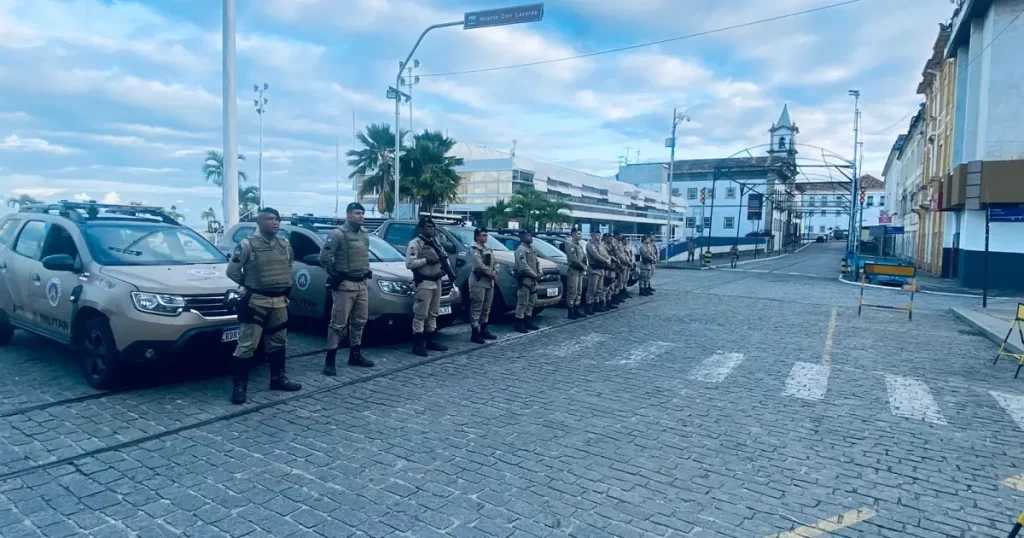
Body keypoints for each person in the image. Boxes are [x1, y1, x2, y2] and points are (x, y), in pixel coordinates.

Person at [226, 207, 301, 405]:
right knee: (248, 344)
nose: (275, 222)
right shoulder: (247, 244)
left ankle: (278, 379)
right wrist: (250, 284)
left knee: (278, 342)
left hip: (279, 302)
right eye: (269, 219)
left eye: (277, 219)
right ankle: (239, 387)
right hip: (256, 302)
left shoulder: (284, 245)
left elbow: (290, 266)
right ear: (259, 222)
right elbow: (232, 270)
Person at [319, 202, 374, 374]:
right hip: (345, 285)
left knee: (359, 321)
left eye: (362, 214)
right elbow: (325, 257)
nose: (361, 216)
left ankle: (355, 354)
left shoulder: (365, 234)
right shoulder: (338, 234)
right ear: (348, 215)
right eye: (357, 213)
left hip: (361, 284)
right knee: (338, 324)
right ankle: (330, 360)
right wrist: (337, 273)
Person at [405, 216, 451, 357]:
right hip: (424, 282)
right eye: (428, 227)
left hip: (436, 281)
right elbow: (410, 263)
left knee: (433, 313)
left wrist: (444, 269)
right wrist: (426, 260)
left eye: (433, 227)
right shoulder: (415, 244)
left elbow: (444, 256)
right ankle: (418, 344)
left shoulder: (435, 243)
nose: (431, 230)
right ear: (421, 228)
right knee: (421, 314)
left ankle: (431, 340)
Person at [469, 227, 498, 344]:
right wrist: (490, 273)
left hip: (489, 282)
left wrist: (496, 271)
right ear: (477, 237)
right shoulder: (474, 248)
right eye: (483, 235)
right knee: (477, 307)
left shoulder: (488, 249)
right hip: (479, 281)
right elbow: (478, 265)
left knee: (486, 307)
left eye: (486, 235)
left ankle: (484, 329)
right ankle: (475, 332)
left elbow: (495, 262)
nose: (485, 237)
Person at [513, 229, 541, 333]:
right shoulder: (521, 250)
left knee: (531, 302)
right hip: (525, 280)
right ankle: (518, 323)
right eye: (528, 236)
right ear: (522, 237)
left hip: (533, 281)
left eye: (530, 235)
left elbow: (537, 262)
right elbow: (523, 266)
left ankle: (527, 321)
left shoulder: (532, 249)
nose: (531, 237)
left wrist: (540, 272)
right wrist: (535, 275)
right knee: (522, 303)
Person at [564, 227, 588, 319]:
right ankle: (570, 311)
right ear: (573, 234)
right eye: (578, 234)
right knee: (572, 292)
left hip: (579, 272)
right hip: (573, 271)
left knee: (579, 291)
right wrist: (582, 266)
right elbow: (574, 259)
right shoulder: (570, 246)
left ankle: (576, 309)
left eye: (580, 234)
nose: (580, 235)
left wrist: (585, 263)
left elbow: (584, 256)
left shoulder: (580, 245)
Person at [585, 230, 610, 314]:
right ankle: (588, 306)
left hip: (601, 269)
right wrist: (605, 260)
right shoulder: (590, 245)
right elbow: (595, 256)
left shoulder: (600, 245)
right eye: (596, 235)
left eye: (599, 235)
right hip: (594, 269)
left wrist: (608, 259)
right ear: (592, 236)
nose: (598, 237)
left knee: (599, 289)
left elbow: (606, 254)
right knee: (592, 289)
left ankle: (597, 305)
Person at [603, 234, 621, 306]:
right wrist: (612, 257)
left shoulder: (612, 246)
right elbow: (606, 257)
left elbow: (617, 255)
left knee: (612, 286)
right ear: (605, 239)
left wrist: (614, 248)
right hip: (607, 268)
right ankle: (604, 303)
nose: (611, 240)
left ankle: (609, 301)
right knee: (606, 286)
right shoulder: (603, 247)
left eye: (612, 239)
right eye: (609, 239)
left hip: (613, 268)